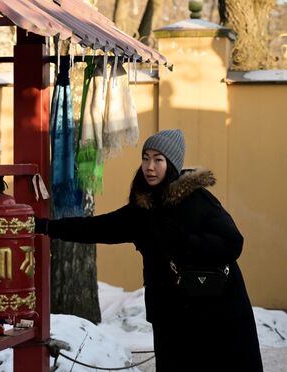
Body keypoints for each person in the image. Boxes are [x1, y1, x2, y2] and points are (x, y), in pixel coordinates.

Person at [35, 129, 263, 372]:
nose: (149, 166)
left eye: (158, 159)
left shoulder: (198, 200)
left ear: (172, 164)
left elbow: (232, 242)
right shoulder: (143, 210)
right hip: (170, 314)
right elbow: (97, 228)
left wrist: (184, 242)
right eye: (145, 158)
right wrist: (47, 226)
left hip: (216, 312)